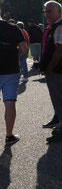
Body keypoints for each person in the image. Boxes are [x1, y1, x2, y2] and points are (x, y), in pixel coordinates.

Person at [40, 1, 62, 143]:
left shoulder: (60, 27)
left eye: (49, 11)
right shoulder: (55, 27)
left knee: (61, 99)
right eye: (45, 11)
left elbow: (59, 50)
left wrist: (49, 68)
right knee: (60, 99)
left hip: (58, 70)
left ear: (59, 12)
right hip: (57, 70)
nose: (46, 14)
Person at [0, 13, 28, 145]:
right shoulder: (13, 28)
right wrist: (12, 53)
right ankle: (9, 135)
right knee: (10, 103)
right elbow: (24, 49)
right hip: (10, 70)